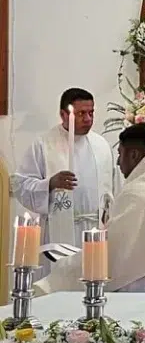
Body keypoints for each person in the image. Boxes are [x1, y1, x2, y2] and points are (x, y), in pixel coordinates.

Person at [34, 123, 145, 294]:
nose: (119, 162)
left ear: (134, 155)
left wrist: (60, 275)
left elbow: (110, 254)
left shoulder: (139, 193)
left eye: (120, 154)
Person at [11, 88, 115, 276]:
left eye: (91, 113)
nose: (88, 119)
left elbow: (114, 190)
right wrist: (49, 184)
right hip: (59, 232)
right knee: (59, 281)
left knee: (93, 280)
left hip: (95, 233)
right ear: (63, 114)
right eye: (81, 113)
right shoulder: (44, 144)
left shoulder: (101, 145)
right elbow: (20, 184)